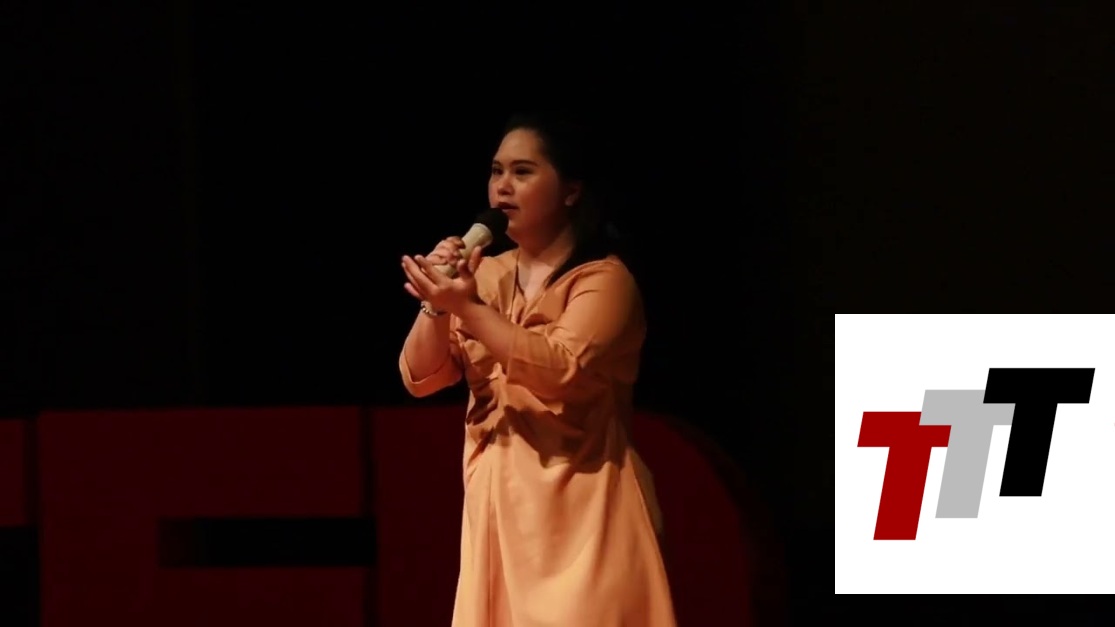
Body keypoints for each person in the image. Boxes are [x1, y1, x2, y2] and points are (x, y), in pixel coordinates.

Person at [398, 112, 676, 627]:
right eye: (496, 171)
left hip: (582, 519)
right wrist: (436, 300)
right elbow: (423, 376)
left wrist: (466, 308)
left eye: (523, 172)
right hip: (498, 519)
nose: (502, 186)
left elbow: (560, 372)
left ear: (571, 191)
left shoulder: (604, 281)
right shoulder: (487, 274)